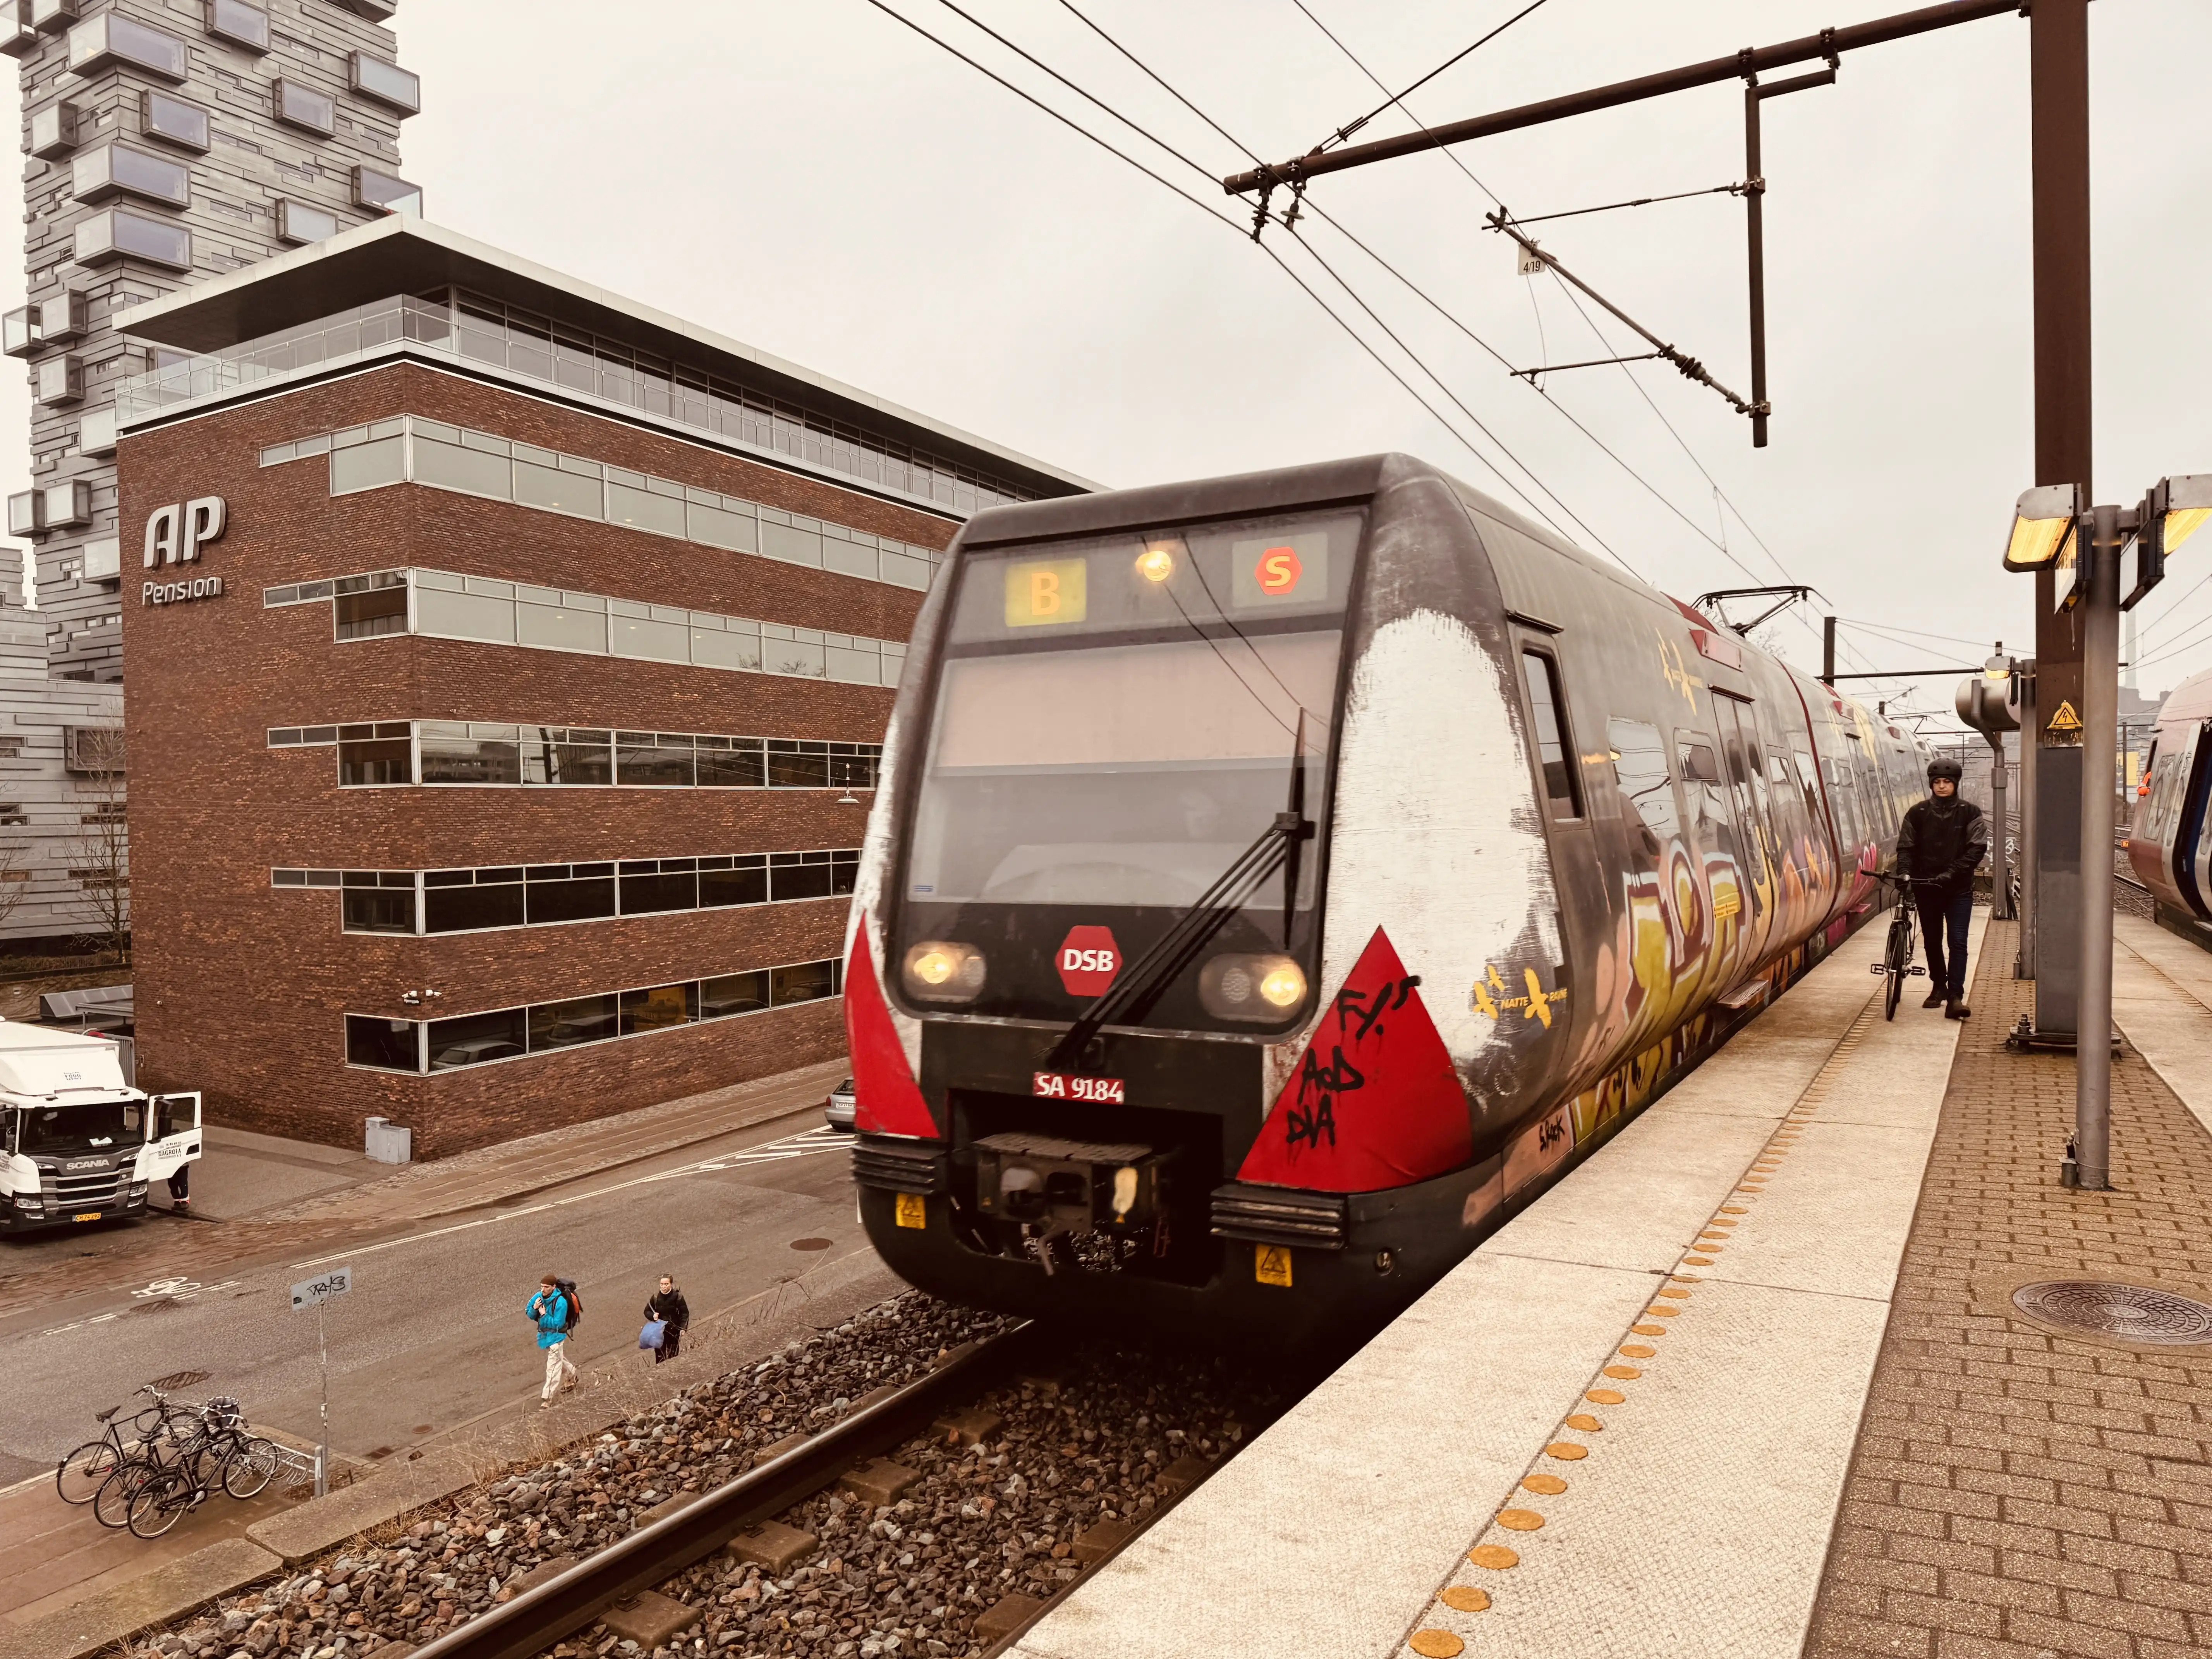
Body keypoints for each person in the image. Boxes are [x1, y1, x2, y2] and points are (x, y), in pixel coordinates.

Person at [1895, 757, 1988, 1019]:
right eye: (1938, 782)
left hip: (1958, 890)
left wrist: (1951, 873)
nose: (1942, 786)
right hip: (1927, 888)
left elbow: (1977, 848)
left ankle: (1956, 997)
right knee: (1933, 941)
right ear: (1931, 784)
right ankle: (1939, 986)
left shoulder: (1971, 813)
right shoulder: (1918, 813)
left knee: (1958, 942)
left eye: (1947, 782)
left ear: (1956, 784)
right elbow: (1906, 847)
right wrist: (1905, 873)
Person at [528, 1274, 578, 1408]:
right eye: (542, 1287)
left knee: (553, 1367)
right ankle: (572, 1373)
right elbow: (529, 1312)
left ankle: (548, 1398)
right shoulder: (538, 1297)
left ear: (554, 1287)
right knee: (557, 1358)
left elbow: (558, 1324)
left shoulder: (561, 1302)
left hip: (557, 1337)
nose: (543, 1290)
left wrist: (543, 1315)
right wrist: (535, 1310)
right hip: (545, 1335)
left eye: (546, 1287)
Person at [643, 1274, 690, 1365]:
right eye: (662, 1284)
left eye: (666, 1284)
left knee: (673, 1354)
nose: (664, 1286)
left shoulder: (678, 1297)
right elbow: (647, 1311)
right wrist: (653, 1316)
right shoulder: (656, 1297)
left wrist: (683, 1328)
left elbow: (684, 1313)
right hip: (659, 1331)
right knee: (660, 1355)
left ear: (671, 1284)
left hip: (674, 1330)